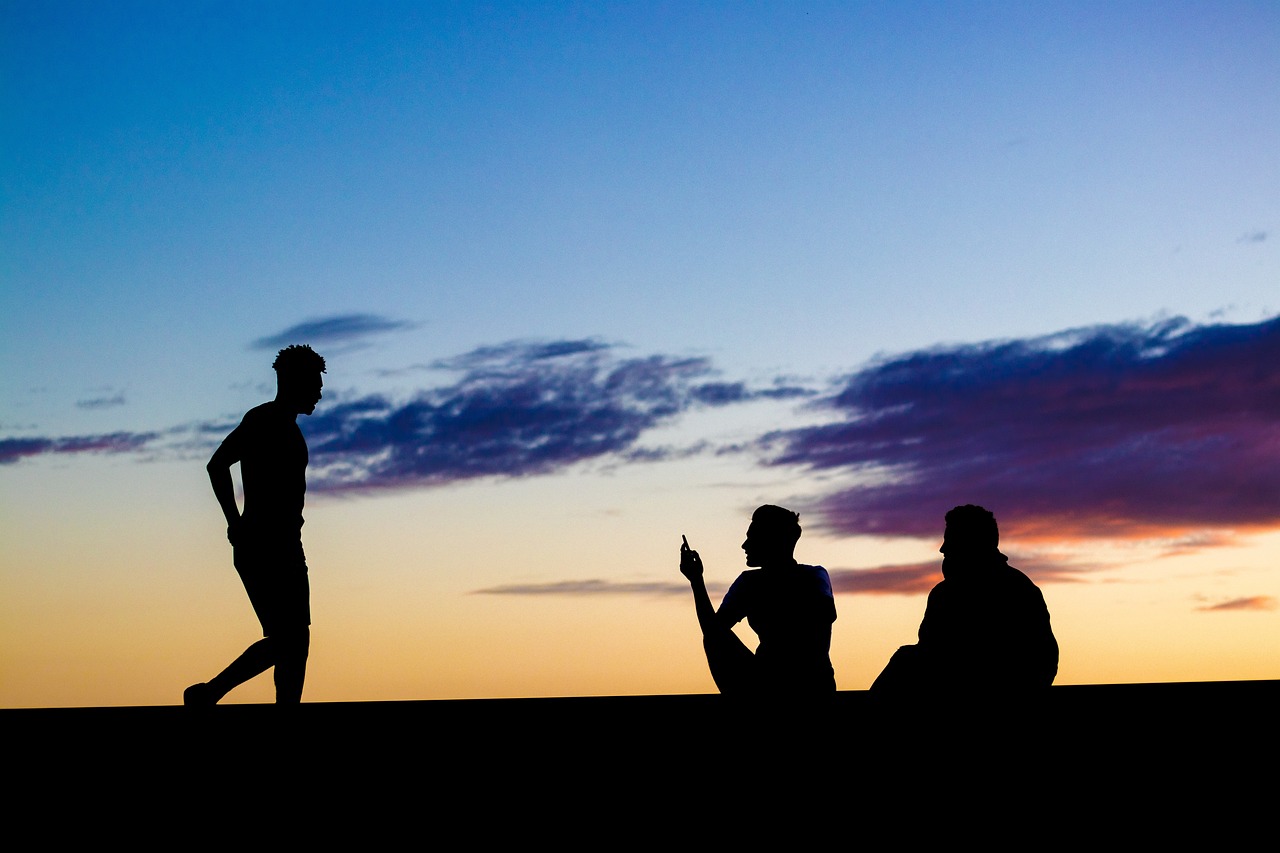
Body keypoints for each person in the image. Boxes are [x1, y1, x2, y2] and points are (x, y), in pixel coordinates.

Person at [184, 344, 325, 705]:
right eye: (313, 383)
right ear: (292, 381)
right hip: (262, 545)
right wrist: (235, 523)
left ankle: (281, 708)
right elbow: (217, 465)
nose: (319, 392)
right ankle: (208, 694)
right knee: (287, 640)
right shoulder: (263, 421)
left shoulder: (292, 430)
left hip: (288, 547)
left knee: (296, 642)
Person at [870, 504, 1058, 706]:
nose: (943, 548)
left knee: (905, 661)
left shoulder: (1004, 590)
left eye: (950, 540)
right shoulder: (1017, 586)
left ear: (970, 543)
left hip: (992, 693)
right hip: (988, 688)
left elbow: (938, 653)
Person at [679, 505, 837, 699]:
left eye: (752, 537)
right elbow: (714, 632)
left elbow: (823, 617)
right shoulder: (749, 582)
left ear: (772, 541)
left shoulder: (813, 576)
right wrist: (696, 580)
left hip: (809, 685)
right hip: (765, 679)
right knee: (713, 635)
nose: (744, 545)